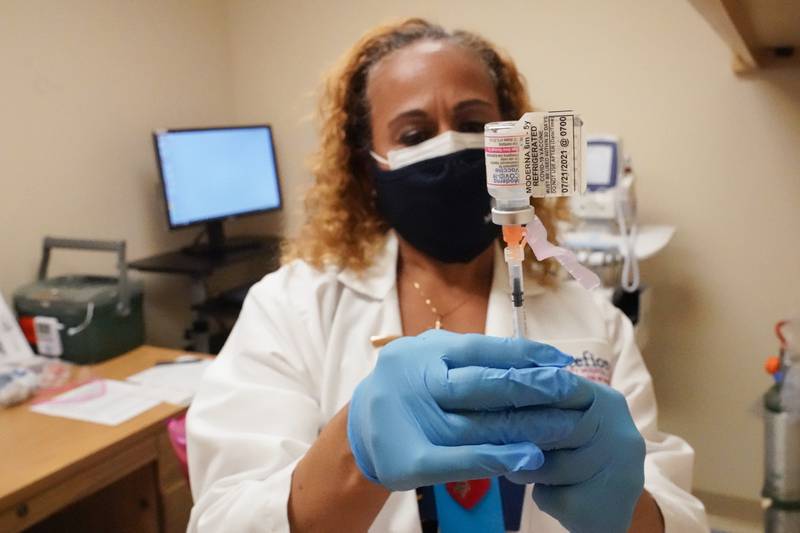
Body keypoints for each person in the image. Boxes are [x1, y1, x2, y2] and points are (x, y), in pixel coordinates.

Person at [186, 18, 708, 533]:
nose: (451, 147)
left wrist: (629, 511)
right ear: (368, 167)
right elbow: (222, 518)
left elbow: (677, 514)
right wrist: (355, 451)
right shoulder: (292, 307)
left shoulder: (595, 318)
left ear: (514, 146)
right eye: (414, 134)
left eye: (475, 125)